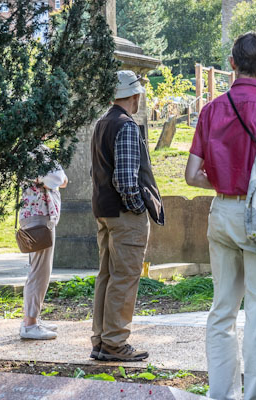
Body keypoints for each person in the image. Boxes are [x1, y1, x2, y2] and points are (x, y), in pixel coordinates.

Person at [184, 31, 256, 400]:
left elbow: (191, 175)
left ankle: (220, 394)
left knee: (222, 312)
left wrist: (223, 180)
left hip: (222, 212)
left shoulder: (211, 109)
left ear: (231, 64)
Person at [90, 70, 165, 362]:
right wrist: (137, 207)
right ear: (134, 97)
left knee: (106, 276)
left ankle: (101, 340)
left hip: (104, 210)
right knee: (124, 278)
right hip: (124, 214)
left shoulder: (101, 123)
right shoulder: (127, 126)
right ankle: (115, 342)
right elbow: (125, 179)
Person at [18, 147, 67, 340]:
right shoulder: (34, 151)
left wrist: (58, 179)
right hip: (39, 216)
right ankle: (30, 324)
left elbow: (58, 179)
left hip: (36, 215)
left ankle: (31, 319)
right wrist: (58, 179)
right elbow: (58, 179)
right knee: (40, 271)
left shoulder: (30, 148)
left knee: (38, 269)